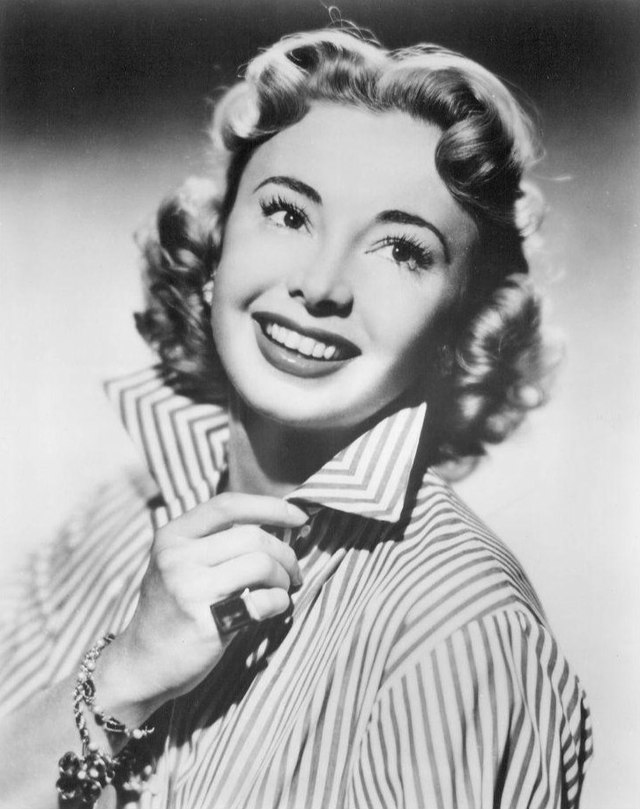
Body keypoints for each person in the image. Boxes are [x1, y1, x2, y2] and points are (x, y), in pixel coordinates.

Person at [0, 26, 592, 809]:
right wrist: (125, 672)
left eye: (402, 250)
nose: (321, 285)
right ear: (217, 248)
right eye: (288, 214)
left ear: (459, 331)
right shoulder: (116, 518)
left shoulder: (455, 626)